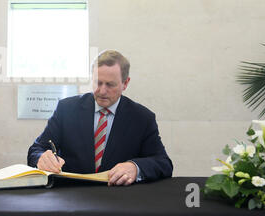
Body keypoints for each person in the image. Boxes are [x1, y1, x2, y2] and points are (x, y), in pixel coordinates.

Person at [27, 50, 173, 186]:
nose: (102, 91)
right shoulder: (67, 109)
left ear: (125, 83)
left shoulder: (142, 118)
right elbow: (37, 149)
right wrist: (41, 158)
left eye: (110, 84)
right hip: (72, 194)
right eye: (98, 82)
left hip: (118, 198)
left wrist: (135, 168)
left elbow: (163, 163)